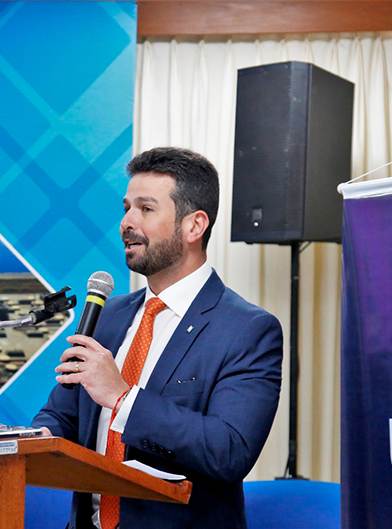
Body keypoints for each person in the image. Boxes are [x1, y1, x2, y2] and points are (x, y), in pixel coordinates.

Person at [32, 147, 283, 529]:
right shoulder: (108, 315)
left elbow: (229, 452)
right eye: (126, 208)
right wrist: (40, 435)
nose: (127, 222)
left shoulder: (247, 330)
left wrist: (122, 398)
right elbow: (63, 413)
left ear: (194, 226)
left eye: (146, 209)